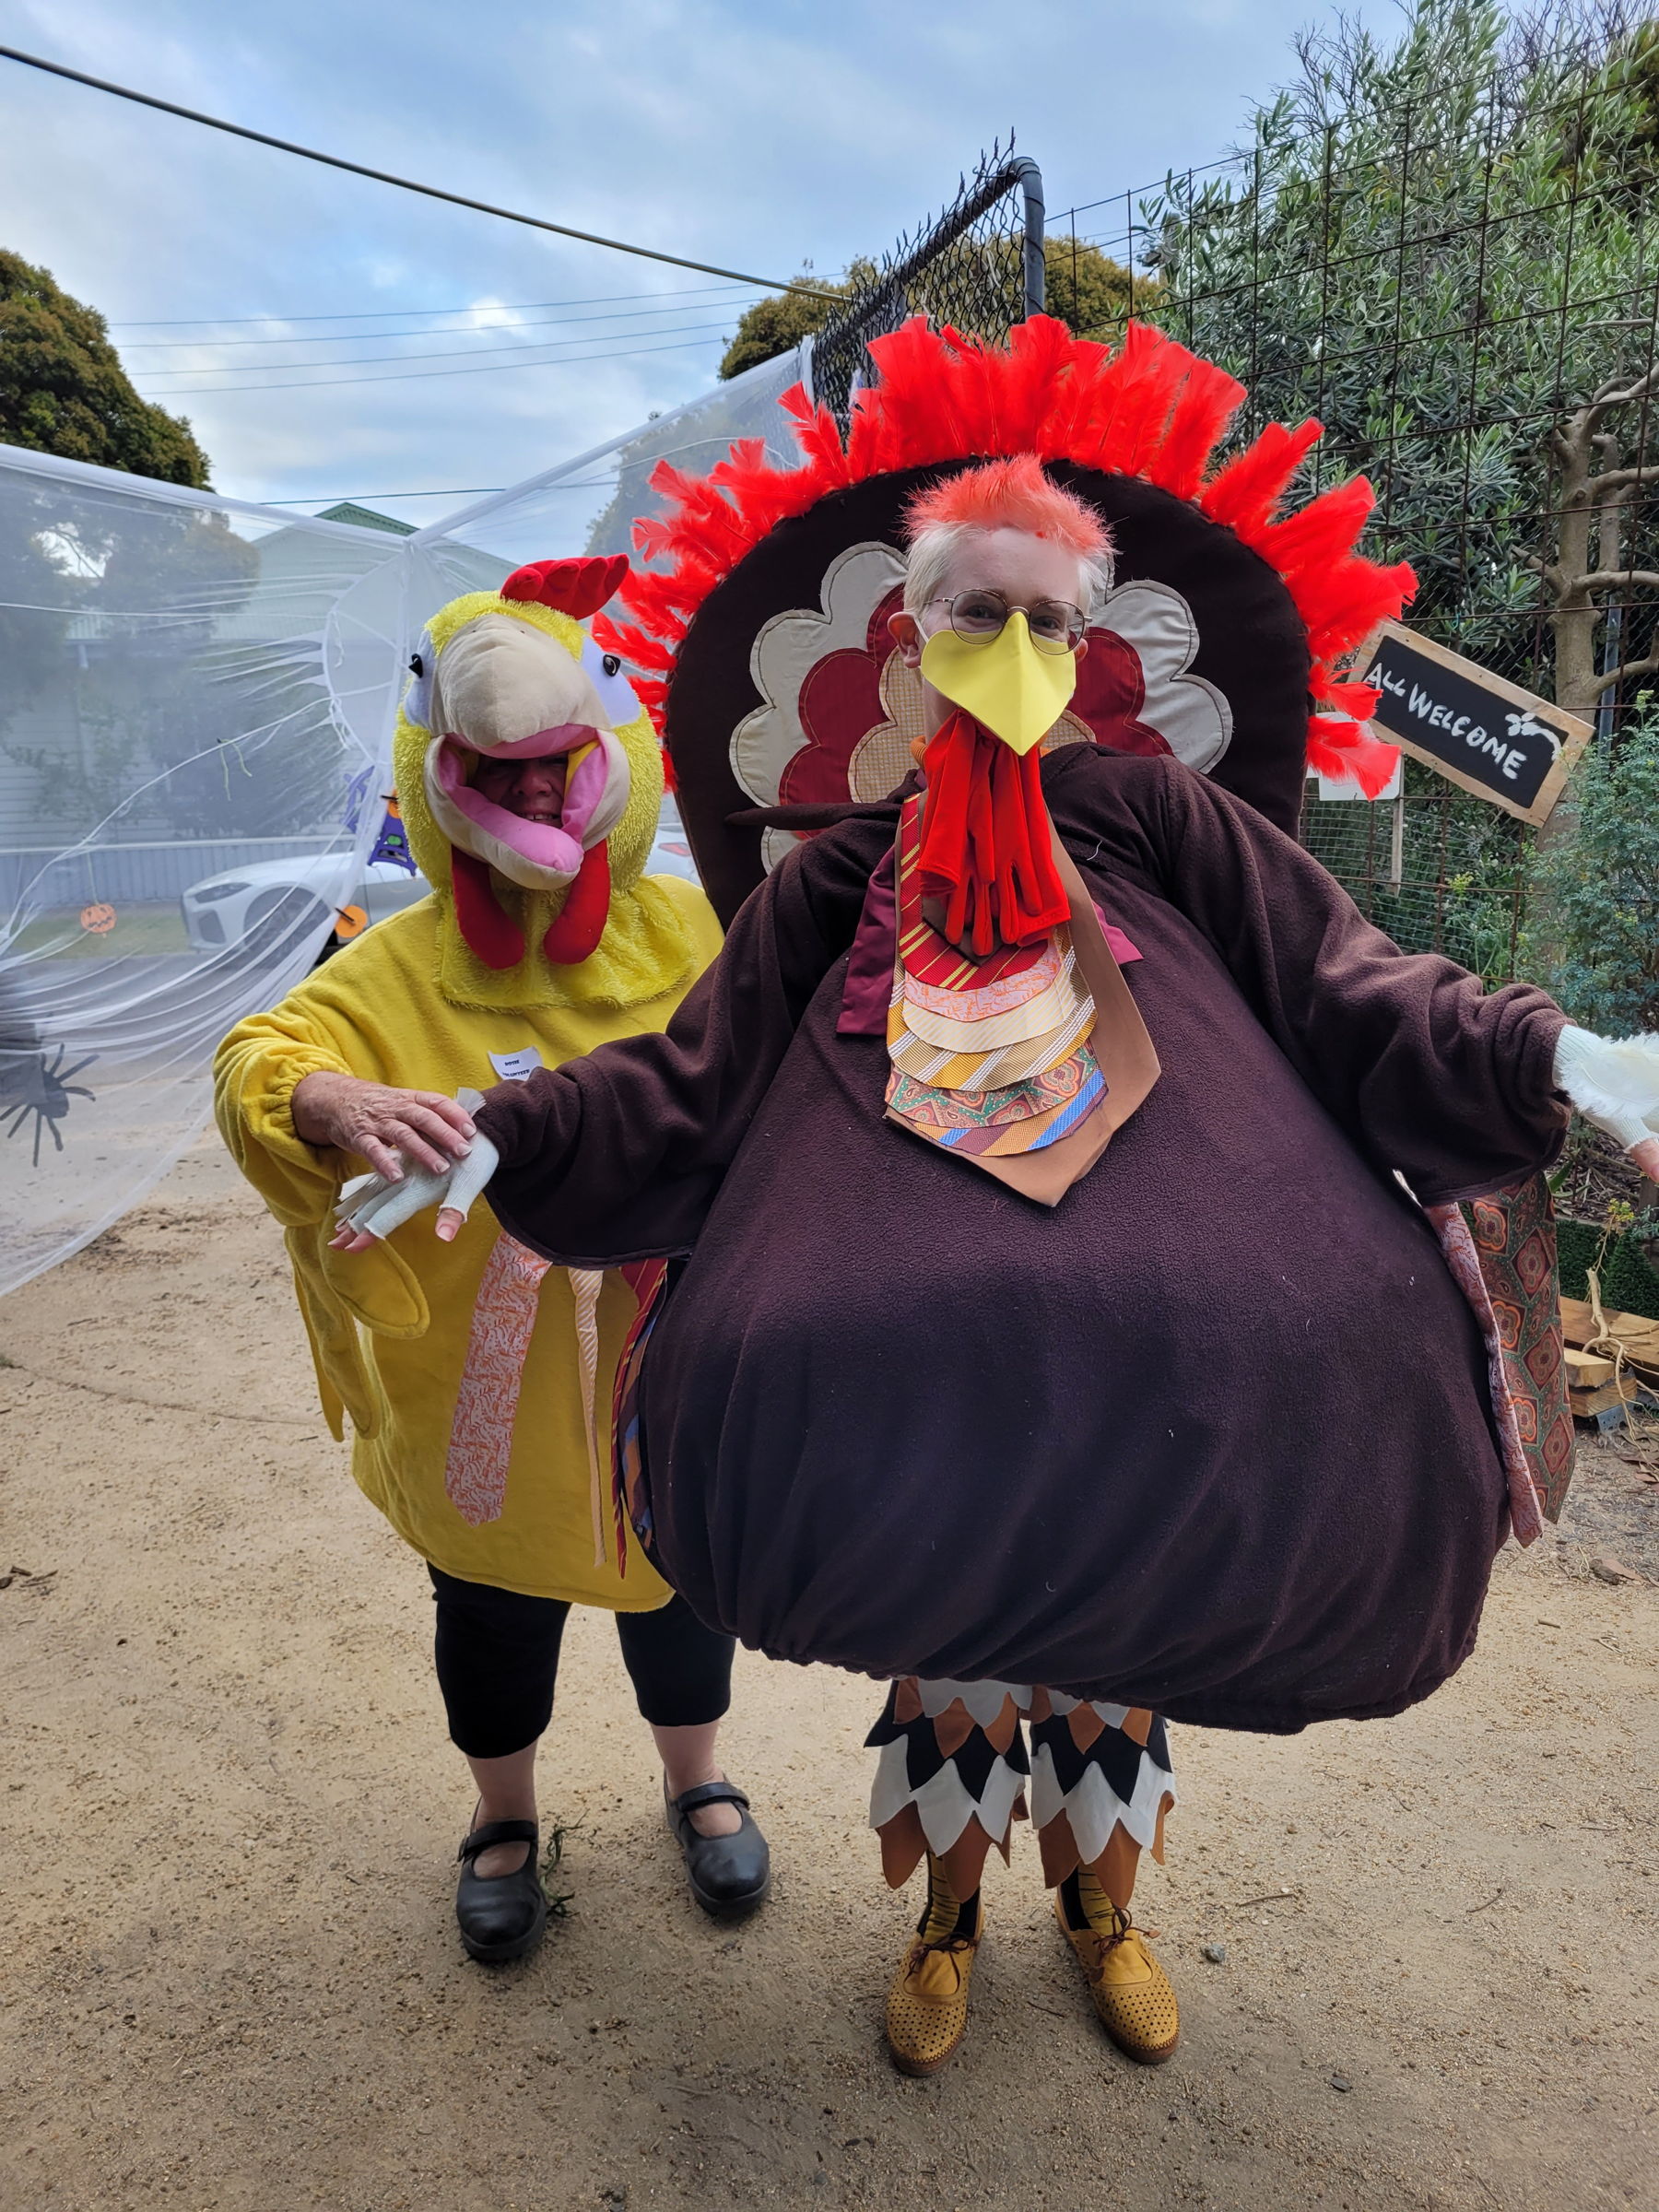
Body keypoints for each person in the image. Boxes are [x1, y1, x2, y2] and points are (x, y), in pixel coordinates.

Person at [332, 322, 1659, 2071]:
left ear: (1090, 641)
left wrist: (1558, 1054)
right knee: (954, 1645)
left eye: (1048, 620)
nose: (1015, 647)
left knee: (1111, 1650)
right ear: (912, 629)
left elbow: (1346, 983)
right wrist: (525, 1132)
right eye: (980, 614)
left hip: (1139, 1381)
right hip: (929, 1395)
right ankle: (946, 1918)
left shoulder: (1168, 815)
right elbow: (698, 1065)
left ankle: (1106, 1912)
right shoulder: (845, 865)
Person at [216, 556, 770, 1966]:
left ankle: (695, 1780)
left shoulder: (695, 927)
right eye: (496, 771)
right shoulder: (395, 965)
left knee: (685, 1577)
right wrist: (327, 1104)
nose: (533, 798)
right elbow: (258, 1056)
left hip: (671, 1354)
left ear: (608, 761)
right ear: (439, 773)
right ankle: (503, 1819)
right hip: (485, 1378)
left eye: (557, 766)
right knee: (491, 1601)